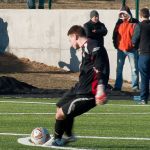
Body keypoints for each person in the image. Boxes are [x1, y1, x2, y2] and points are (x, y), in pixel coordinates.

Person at [44, 25, 110, 146]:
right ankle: (68, 135)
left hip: (89, 93)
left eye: (70, 40)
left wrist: (101, 89)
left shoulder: (94, 47)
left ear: (75, 36)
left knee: (60, 115)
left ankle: (57, 140)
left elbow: (100, 69)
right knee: (59, 106)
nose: (70, 44)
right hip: (79, 88)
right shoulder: (86, 48)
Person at [112, 5, 139, 92]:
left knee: (134, 69)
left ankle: (135, 87)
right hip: (120, 49)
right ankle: (117, 87)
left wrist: (135, 46)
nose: (122, 16)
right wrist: (116, 45)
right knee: (119, 69)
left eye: (124, 14)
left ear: (128, 13)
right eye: (121, 14)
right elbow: (114, 35)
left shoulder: (135, 22)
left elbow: (138, 35)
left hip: (132, 50)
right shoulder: (118, 23)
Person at [84, 10, 110, 87]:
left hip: (101, 48)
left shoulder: (101, 24)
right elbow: (88, 34)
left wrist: (96, 31)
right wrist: (98, 33)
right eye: (95, 17)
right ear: (91, 17)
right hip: (92, 50)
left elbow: (105, 31)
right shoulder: (87, 25)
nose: (96, 18)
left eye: (97, 16)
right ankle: (93, 84)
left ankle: (104, 84)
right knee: (95, 68)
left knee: (105, 67)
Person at [132, 8, 150, 104]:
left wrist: (136, 47)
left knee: (144, 77)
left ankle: (144, 98)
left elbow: (134, 40)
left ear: (140, 16)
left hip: (144, 54)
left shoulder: (139, 25)